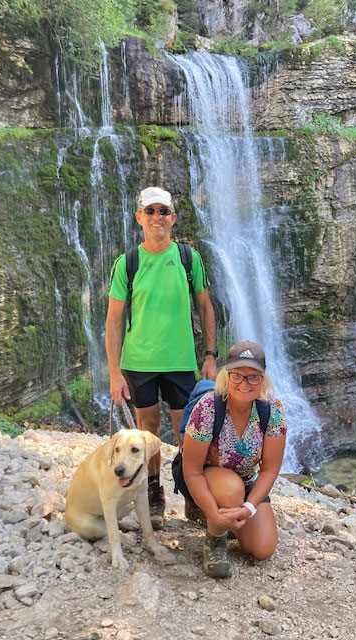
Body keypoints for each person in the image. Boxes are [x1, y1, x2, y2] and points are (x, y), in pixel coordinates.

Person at [105, 186, 217, 530]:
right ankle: (154, 492)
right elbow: (113, 319)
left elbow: (206, 306)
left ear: (173, 218)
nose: (157, 218)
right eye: (150, 211)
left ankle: (190, 495)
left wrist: (211, 355)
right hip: (139, 364)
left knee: (187, 432)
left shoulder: (187, 258)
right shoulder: (128, 263)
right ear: (139, 217)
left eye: (163, 212)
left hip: (181, 362)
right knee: (147, 432)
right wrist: (114, 373)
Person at [180, 340, 286, 578]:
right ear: (226, 376)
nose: (244, 383)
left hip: (248, 480)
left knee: (262, 549)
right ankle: (215, 538)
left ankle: (232, 516)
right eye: (237, 375)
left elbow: (269, 469)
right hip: (207, 476)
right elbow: (192, 470)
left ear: (263, 379)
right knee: (230, 488)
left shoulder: (272, 410)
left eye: (253, 377)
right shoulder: (208, 407)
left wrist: (249, 508)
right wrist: (214, 512)